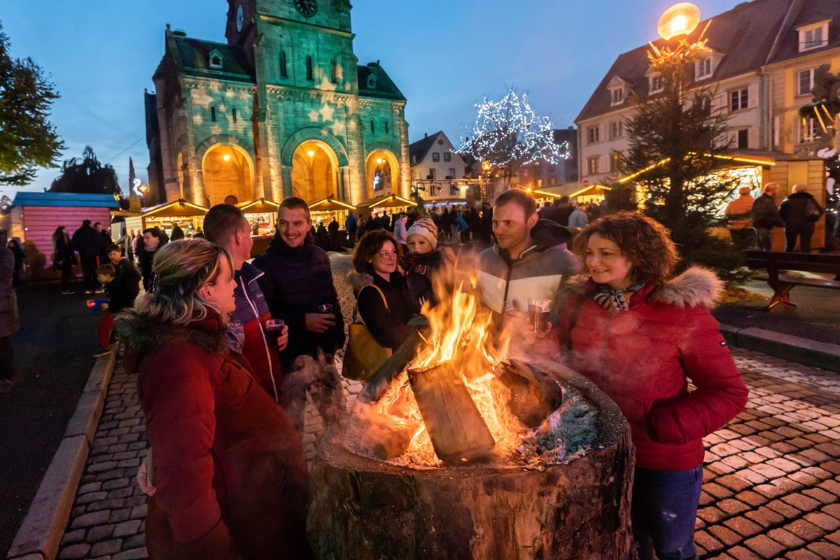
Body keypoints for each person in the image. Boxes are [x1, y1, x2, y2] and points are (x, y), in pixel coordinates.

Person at [551, 212, 748, 560]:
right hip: (596, 452)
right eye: (590, 253)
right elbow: (562, 355)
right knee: (625, 544)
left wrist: (665, 425)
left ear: (637, 256)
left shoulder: (682, 311)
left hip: (663, 459)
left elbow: (729, 392)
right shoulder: (578, 302)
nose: (593, 262)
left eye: (606, 253)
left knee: (673, 549)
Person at [115, 240, 313, 560]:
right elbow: (185, 491)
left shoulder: (202, 335)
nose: (235, 283)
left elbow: (190, 427)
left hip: (254, 509)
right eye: (227, 278)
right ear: (206, 290)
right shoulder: (180, 358)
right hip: (237, 526)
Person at [253, 197, 346, 437]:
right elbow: (265, 316)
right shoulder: (265, 264)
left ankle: (337, 471)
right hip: (288, 361)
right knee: (290, 429)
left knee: (338, 421)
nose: (290, 230)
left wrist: (337, 336)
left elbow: (332, 297)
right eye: (284, 223)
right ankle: (295, 474)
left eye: (296, 224)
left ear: (308, 224)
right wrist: (302, 320)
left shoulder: (320, 256)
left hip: (321, 355)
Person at [204, 204, 288, 403]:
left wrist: (280, 333)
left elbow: (259, 328)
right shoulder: (214, 289)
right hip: (248, 400)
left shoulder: (249, 277)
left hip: (273, 388)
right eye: (250, 233)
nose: (251, 239)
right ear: (239, 236)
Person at [475, 189, 580, 318]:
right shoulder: (481, 260)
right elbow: (471, 309)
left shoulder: (563, 263)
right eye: (495, 223)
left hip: (541, 338)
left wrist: (533, 324)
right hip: (490, 338)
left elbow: (573, 321)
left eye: (509, 223)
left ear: (531, 221)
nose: (498, 231)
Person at [348, 230, 418, 350]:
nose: (392, 258)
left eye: (393, 252)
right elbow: (389, 335)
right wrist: (424, 330)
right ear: (369, 258)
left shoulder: (399, 281)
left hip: (410, 350)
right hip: (393, 360)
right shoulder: (370, 293)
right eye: (384, 254)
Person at [403, 218, 455, 311]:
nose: (416, 247)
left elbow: (441, 289)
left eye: (421, 242)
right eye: (411, 243)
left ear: (432, 245)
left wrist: (418, 302)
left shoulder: (437, 262)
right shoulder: (410, 261)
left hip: (432, 312)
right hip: (414, 309)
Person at [780, 184, 824, 253]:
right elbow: (820, 210)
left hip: (791, 225)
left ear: (794, 191)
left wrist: (786, 221)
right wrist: (813, 219)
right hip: (807, 225)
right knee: (806, 245)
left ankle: (787, 260)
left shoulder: (788, 200)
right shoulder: (810, 199)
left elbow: (781, 213)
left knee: (790, 244)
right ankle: (805, 261)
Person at [0, 232, 18, 394]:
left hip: (2, 302)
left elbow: (5, 272)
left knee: (3, 341)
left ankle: (5, 377)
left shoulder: (5, 253)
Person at [751, 183, 785, 252]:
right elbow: (773, 214)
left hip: (758, 225)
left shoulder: (759, 199)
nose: (778, 192)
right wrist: (781, 223)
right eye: (777, 190)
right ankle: (768, 262)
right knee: (768, 247)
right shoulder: (768, 201)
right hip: (765, 226)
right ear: (773, 190)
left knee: (760, 246)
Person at [106, 244, 141, 310]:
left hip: (130, 291)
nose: (112, 256)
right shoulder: (112, 265)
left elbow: (137, 276)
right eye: (110, 254)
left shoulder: (125, 262)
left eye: (114, 254)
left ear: (120, 253)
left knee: (128, 307)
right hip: (121, 291)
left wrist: (129, 286)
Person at [71, 220, 102, 294]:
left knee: (86, 272)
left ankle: (88, 288)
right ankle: (97, 288)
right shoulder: (94, 232)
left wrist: (80, 249)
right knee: (95, 271)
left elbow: (73, 244)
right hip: (93, 254)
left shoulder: (78, 232)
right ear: (90, 224)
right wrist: (97, 250)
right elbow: (100, 242)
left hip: (83, 255)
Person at [53, 226, 76, 295]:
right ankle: (65, 289)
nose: (67, 230)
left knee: (65, 274)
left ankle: (65, 288)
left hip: (63, 258)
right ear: (62, 230)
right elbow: (64, 248)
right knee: (66, 273)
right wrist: (68, 255)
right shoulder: (63, 238)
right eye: (65, 229)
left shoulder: (58, 237)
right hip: (66, 258)